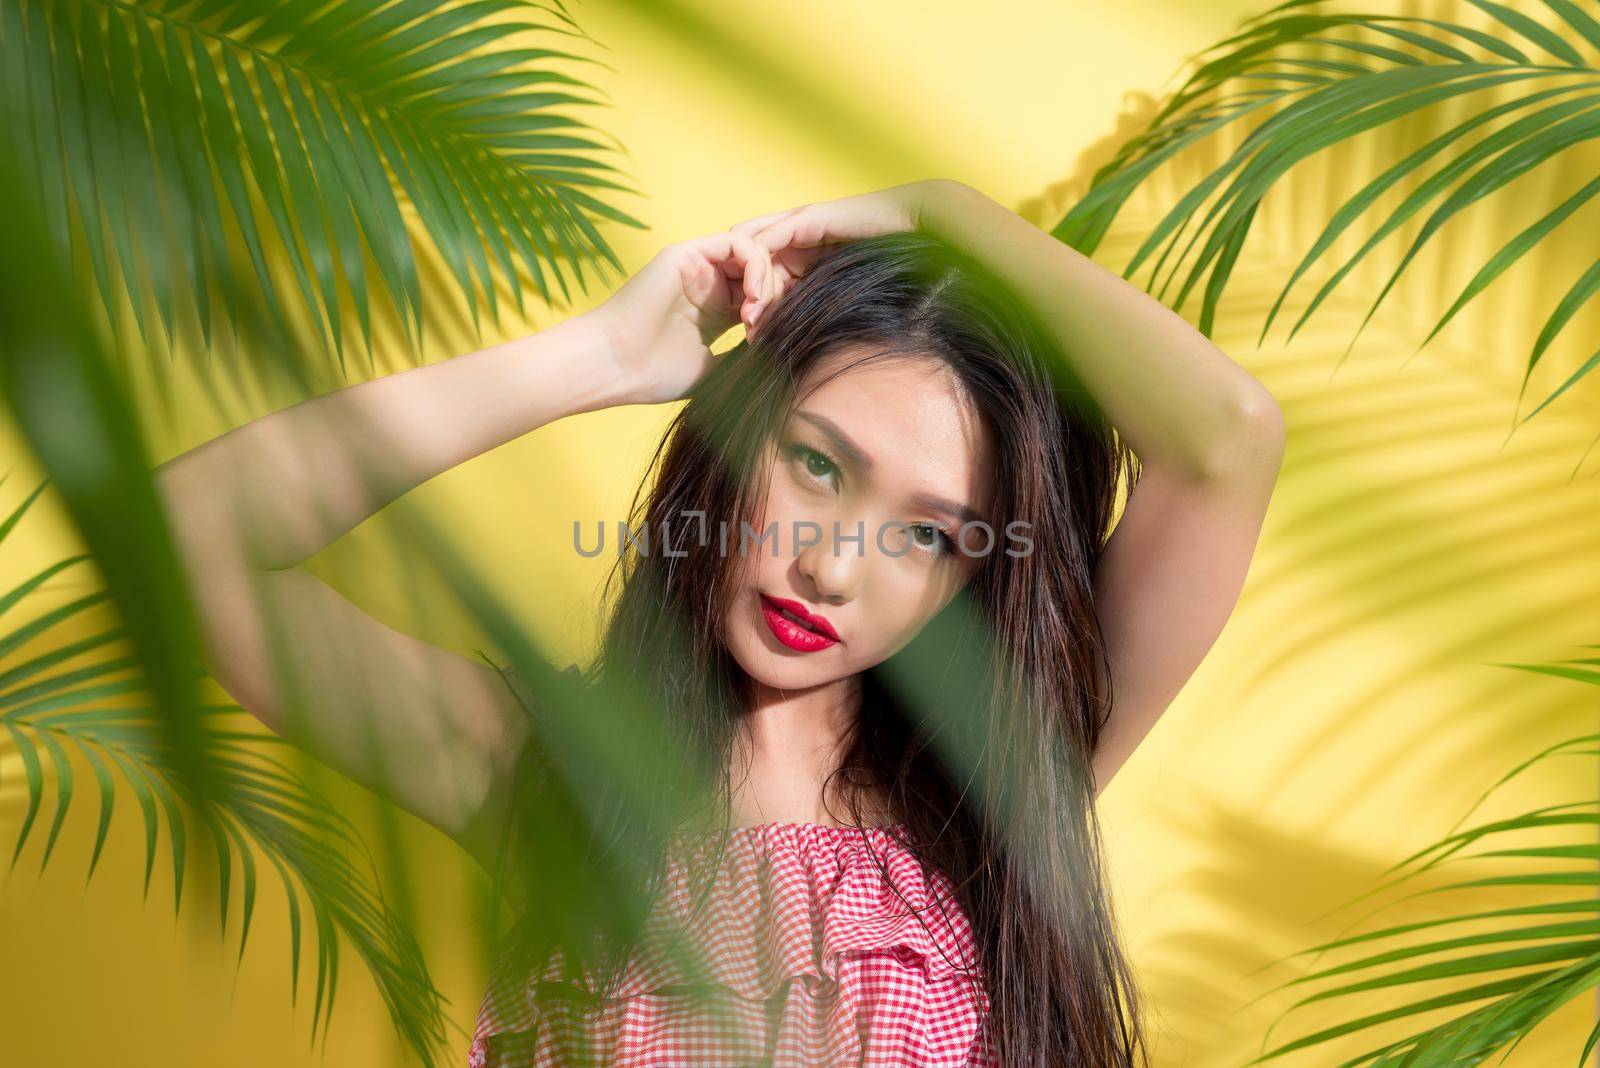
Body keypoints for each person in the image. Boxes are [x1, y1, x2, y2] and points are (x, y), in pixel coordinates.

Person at [154, 179, 1285, 1067]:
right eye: (813, 464)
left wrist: (944, 217)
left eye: (930, 535)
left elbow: (1227, 439)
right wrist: (604, 355)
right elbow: (179, 538)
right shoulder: (547, 770)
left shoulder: (1002, 789)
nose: (832, 565)